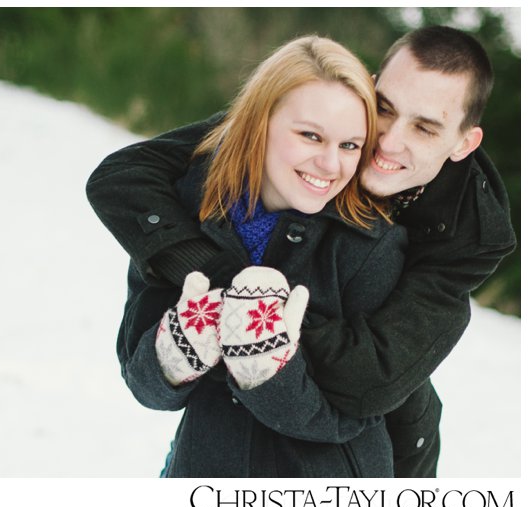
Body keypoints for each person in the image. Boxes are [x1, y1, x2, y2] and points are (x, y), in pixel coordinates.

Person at [86, 25, 516, 477]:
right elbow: (127, 174)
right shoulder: (317, 119)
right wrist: (202, 276)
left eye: (425, 128)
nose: (387, 142)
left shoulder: (468, 238)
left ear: (463, 143)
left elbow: (369, 384)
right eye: (384, 109)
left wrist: (265, 321)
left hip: (386, 432)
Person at [104, 35, 408, 477]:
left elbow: (357, 413)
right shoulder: (185, 216)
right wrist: (174, 354)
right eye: (310, 135)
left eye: (349, 146)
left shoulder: (369, 244)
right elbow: (144, 385)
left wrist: (266, 375)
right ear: (258, 122)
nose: (329, 164)